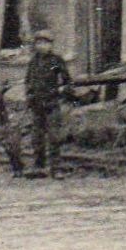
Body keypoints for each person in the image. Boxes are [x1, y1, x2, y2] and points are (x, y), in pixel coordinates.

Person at [23, 30, 73, 179]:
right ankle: (39, 167)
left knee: (54, 137)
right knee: (37, 138)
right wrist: (29, 95)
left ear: (50, 45)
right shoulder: (33, 62)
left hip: (51, 104)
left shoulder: (56, 60)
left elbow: (68, 82)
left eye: (45, 43)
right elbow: (28, 81)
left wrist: (61, 91)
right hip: (36, 105)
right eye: (39, 43)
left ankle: (56, 168)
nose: (41, 46)